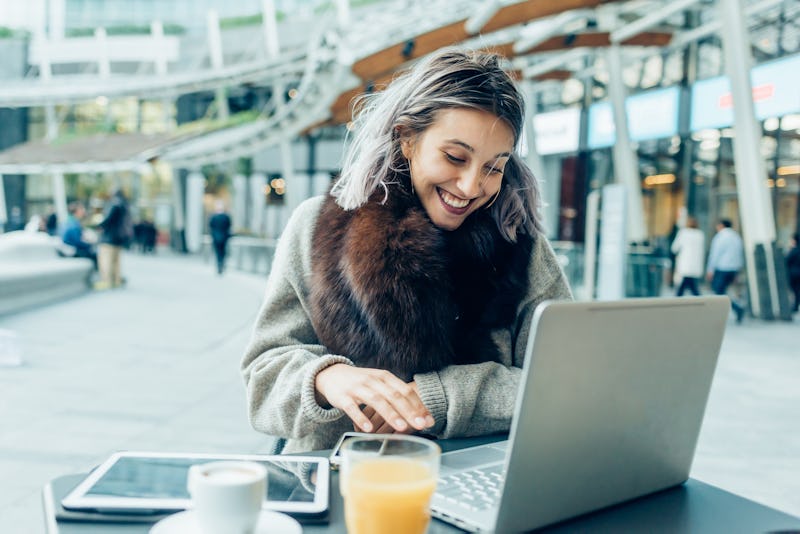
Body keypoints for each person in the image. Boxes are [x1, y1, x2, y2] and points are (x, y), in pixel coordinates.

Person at [241, 49, 572, 454]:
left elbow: (562, 384)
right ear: (407, 139)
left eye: (494, 167)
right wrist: (326, 379)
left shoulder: (518, 242)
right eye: (455, 157)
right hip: (334, 477)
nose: (470, 186)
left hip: (480, 476)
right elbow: (263, 380)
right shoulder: (315, 224)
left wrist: (439, 397)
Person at [706, 219, 746, 322]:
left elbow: (715, 254)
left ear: (721, 225)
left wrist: (710, 269)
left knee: (719, 292)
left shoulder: (720, 237)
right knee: (722, 292)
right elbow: (740, 253)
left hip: (722, 268)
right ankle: (734, 309)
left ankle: (735, 309)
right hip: (733, 269)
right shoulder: (736, 236)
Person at [96, 189, 133, 289]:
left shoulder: (114, 204)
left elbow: (108, 219)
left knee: (106, 260)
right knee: (116, 261)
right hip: (119, 238)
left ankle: (106, 281)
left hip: (109, 238)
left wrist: (99, 225)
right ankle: (116, 280)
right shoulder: (125, 205)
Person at [671, 216, 705, 297]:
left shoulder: (683, 233)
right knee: (691, 286)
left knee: (685, 286)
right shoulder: (700, 234)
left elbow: (674, 248)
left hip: (685, 264)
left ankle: (677, 302)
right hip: (695, 265)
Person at [61, 201, 98, 270]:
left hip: (71, 249)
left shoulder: (69, 221)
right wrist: (90, 244)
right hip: (74, 251)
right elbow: (77, 241)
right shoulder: (73, 224)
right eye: (82, 209)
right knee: (96, 254)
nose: (84, 211)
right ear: (77, 211)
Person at [208, 201, 232, 275]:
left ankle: (219, 265)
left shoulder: (213, 217)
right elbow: (229, 226)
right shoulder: (226, 217)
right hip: (224, 237)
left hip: (216, 237)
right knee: (223, 251)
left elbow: (210, 226)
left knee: (218, 252)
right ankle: (221, 264)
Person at [786, 233, 800, 314]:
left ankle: (795, 306)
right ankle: (796, 305)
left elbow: (787, 261)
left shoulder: (794, 250)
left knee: (795, 290)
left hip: (794, 274)